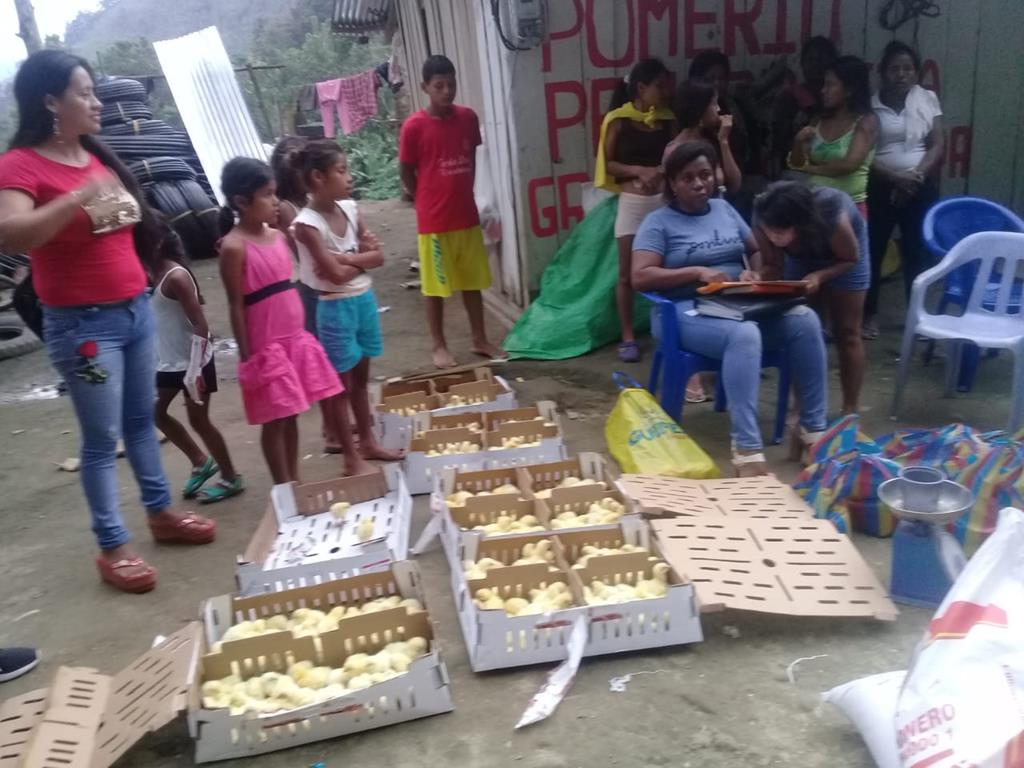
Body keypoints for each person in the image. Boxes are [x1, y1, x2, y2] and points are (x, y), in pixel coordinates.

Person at [0, 50, 215, 594]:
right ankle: (113, 545)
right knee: (101, 438)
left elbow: (124, 226)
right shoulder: (21, 165)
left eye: (95, 91)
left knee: (142, 423)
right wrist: (77, 197)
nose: (97, 103)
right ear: (51, 101)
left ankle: (161, 514)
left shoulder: (96, 156)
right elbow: (13, 233)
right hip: (85, 330)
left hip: (135, 311)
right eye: (84, 93)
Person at [631, 142, 828, 476]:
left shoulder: (724, 209)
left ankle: (813, 432)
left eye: (705, 175)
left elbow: (754, 250)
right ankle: (747, 451)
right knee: (744, 335)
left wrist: (755, 273)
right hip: (684, 311)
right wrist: (696, 272)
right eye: (688, 178)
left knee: (805, 320)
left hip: (738, 304)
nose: (699, 184)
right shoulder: (658, 222)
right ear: (673, 183)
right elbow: (640, 276)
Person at [217, 157, 373, 483]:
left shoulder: (277, 236)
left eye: (275, 193)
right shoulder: (233, 247)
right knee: (275, 419)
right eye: (267, 195)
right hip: (266, 346)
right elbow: (235, 305)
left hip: (293, 339)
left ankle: (295, 481)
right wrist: (247, 357)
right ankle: (283, 486)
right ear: (241, 202)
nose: (275, 201)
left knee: (291, 413)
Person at [292, 140, 404, 463]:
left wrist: (345, 258)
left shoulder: (351, 209)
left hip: (363, 300)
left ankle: (368, 443)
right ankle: (351, 458)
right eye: (341, 171)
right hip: (334, 306)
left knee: (361, 382)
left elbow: (379, 257)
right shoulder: (307, 225)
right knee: (340, 386)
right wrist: (359, 259)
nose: (349, 177)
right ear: (318, 177)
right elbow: (335, 276)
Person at [398, 55, 504, 369]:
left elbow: (472, 157)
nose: (447, 91)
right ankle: (439, 345)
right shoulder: (414, 126)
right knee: (434, 288)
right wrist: (421, 199)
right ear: (425, 88)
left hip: (466, 216)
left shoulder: (468, 118)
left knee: (473, 282)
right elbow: (405, 170)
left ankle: (479, 339)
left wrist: (467, 193)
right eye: (439, 86)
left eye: (451, 84)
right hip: (434, 221)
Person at [148, 214, 242, 503]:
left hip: (193, 361)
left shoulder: (176, 276)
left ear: (158, 241)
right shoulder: (150, 272)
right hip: (168, 362)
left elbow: (201, 325)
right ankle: (200, 461)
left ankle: (231, 477)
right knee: (155, 412)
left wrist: (195, 370)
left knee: (199, 421)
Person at [753, 181, 869, 415]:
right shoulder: (762, 215)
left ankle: (850, 409)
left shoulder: (833, 216)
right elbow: (773, 264)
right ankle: (802, 407)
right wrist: (755, 275)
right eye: (769, 231)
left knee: (847, 332)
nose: (773, 236)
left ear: (799, 225)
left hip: (846, 260)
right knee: (802, 332)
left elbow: (850, 258)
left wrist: (820, 275)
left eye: (779, 232)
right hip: (800, 259)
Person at [594, 58, 675, 363]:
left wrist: (660, 171)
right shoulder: (617, 120)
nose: (666, 92)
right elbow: (608, 164)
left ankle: (668, 330)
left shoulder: (668, 119)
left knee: (668, 270)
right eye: (660, 86)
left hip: (663, 204)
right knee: (626, 274)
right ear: (641, 88)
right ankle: (628, 336)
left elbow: (677, 156)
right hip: (632, 205)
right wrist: (639, 170)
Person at [863, 40, 944, 340]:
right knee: (873, 249)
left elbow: (936, 144)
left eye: (908, 68)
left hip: (919, 186)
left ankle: (916, 315)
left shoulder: (927, 99)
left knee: (916, 252)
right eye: (895, 68)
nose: (901, 74)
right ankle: (869, 314)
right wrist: (896, 179)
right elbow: (864, 153)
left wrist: (914, 177)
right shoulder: (870, 106)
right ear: (883, 72)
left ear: (916, 72)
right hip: (880, 185)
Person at [271, 135, 341, 452]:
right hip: (306, 287)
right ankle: (330, 428)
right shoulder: (288, 209)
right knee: (322, 357)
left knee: (329, 356)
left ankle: (337, 423)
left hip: (313, 284)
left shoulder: (302, 204)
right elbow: (307, 255)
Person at [788, 55, 878, 219]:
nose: (823, 90)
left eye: (830, 85)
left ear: (849, 90)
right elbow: (797, 163)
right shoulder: (818, 120)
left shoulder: (866, 121)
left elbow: (849, 165)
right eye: (824, 84)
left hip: (849, 209)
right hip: (814, 207)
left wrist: (811, 169)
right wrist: (798, 142)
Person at [769, 36, 838, 178]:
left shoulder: (840, 97)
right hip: (798, 168)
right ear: (802, 63)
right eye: (810, 60)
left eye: (820, 60)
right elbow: (780, 141)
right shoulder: (790, 97)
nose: (815, 65)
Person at [665, 79, 741, 196]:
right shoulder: (674, 150)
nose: (718, 109)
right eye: (714, 104)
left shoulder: (712, 139)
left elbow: (735, 185)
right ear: (700, 109)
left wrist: (723, 141)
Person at [687, 51, 751, 174]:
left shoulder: (734, 106)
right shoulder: (692, 111)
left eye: (722, 78)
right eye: (710, 79)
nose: (717, 83)